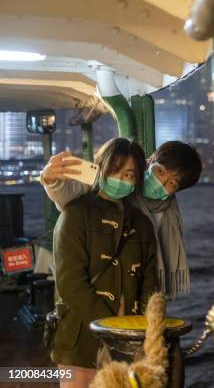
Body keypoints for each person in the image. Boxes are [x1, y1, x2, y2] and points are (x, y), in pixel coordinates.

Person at [51, 138, 157, 387]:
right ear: (100, 168)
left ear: (138, 178)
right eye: (114, 170)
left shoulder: (141, 223)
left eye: (129, 174)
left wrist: (139, 328)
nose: (121, 178)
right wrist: (109, 326)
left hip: (129, 340)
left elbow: (149, 282)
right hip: (79, 338)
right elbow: (70, 282)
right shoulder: (75, 214)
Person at [42, 141, 202, 298]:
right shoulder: (116, 187)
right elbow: (70, 195)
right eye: (160, 172)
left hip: (138, 295)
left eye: (172, 183)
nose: (161, 182)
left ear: (176, 190)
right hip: (96, 290)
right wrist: (51, 180)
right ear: (151, 160)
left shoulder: (168, 212)